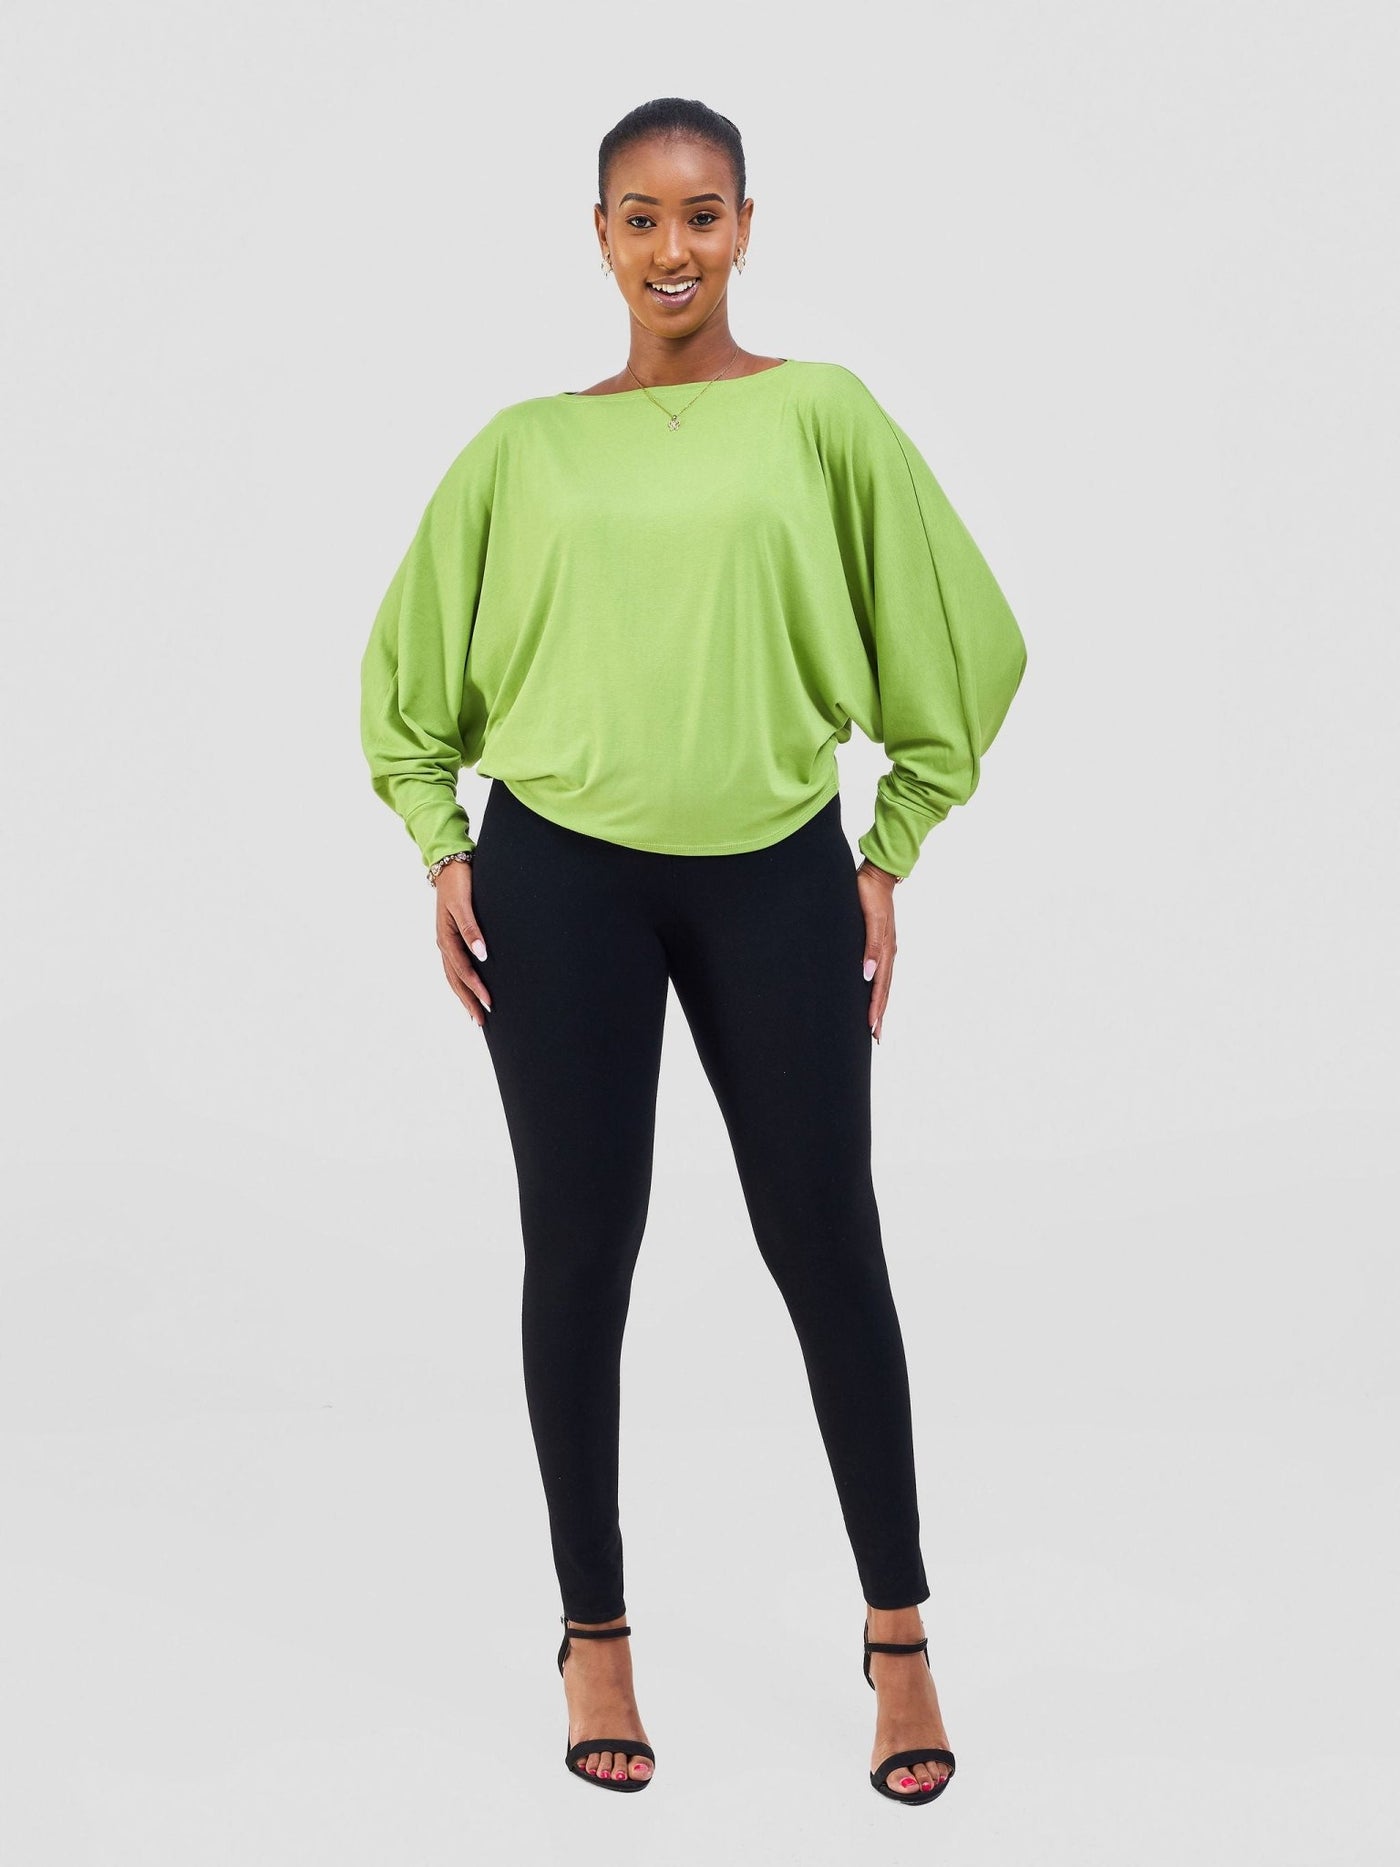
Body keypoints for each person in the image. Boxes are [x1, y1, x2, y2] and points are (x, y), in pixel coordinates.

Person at [359, 95, 1027, 1805]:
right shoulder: (524, 448)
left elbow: (962, 637)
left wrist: (889, 848)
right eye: (642, 217)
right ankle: (594, 1633)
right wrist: (444, 843)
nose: (674, 248)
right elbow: (411, 672)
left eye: (704, 213)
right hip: (560, 878)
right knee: (581, 1252)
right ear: (599, 235)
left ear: (745, 225)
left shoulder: (821, 415)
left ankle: (900, 1638)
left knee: (827, 1244)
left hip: (773, 874)